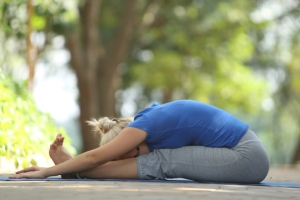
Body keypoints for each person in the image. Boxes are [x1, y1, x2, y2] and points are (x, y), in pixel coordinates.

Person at [10, 100, 269, 183]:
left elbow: (94, 157)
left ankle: (75, 170)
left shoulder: (142, 127)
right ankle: (74, 169)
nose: (136, 159)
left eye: (127, 156)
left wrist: (47, 172)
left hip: (247, 157)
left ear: (128, 142)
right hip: (245, 150)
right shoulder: (150, 118)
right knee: (161, 159)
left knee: (163, 162)